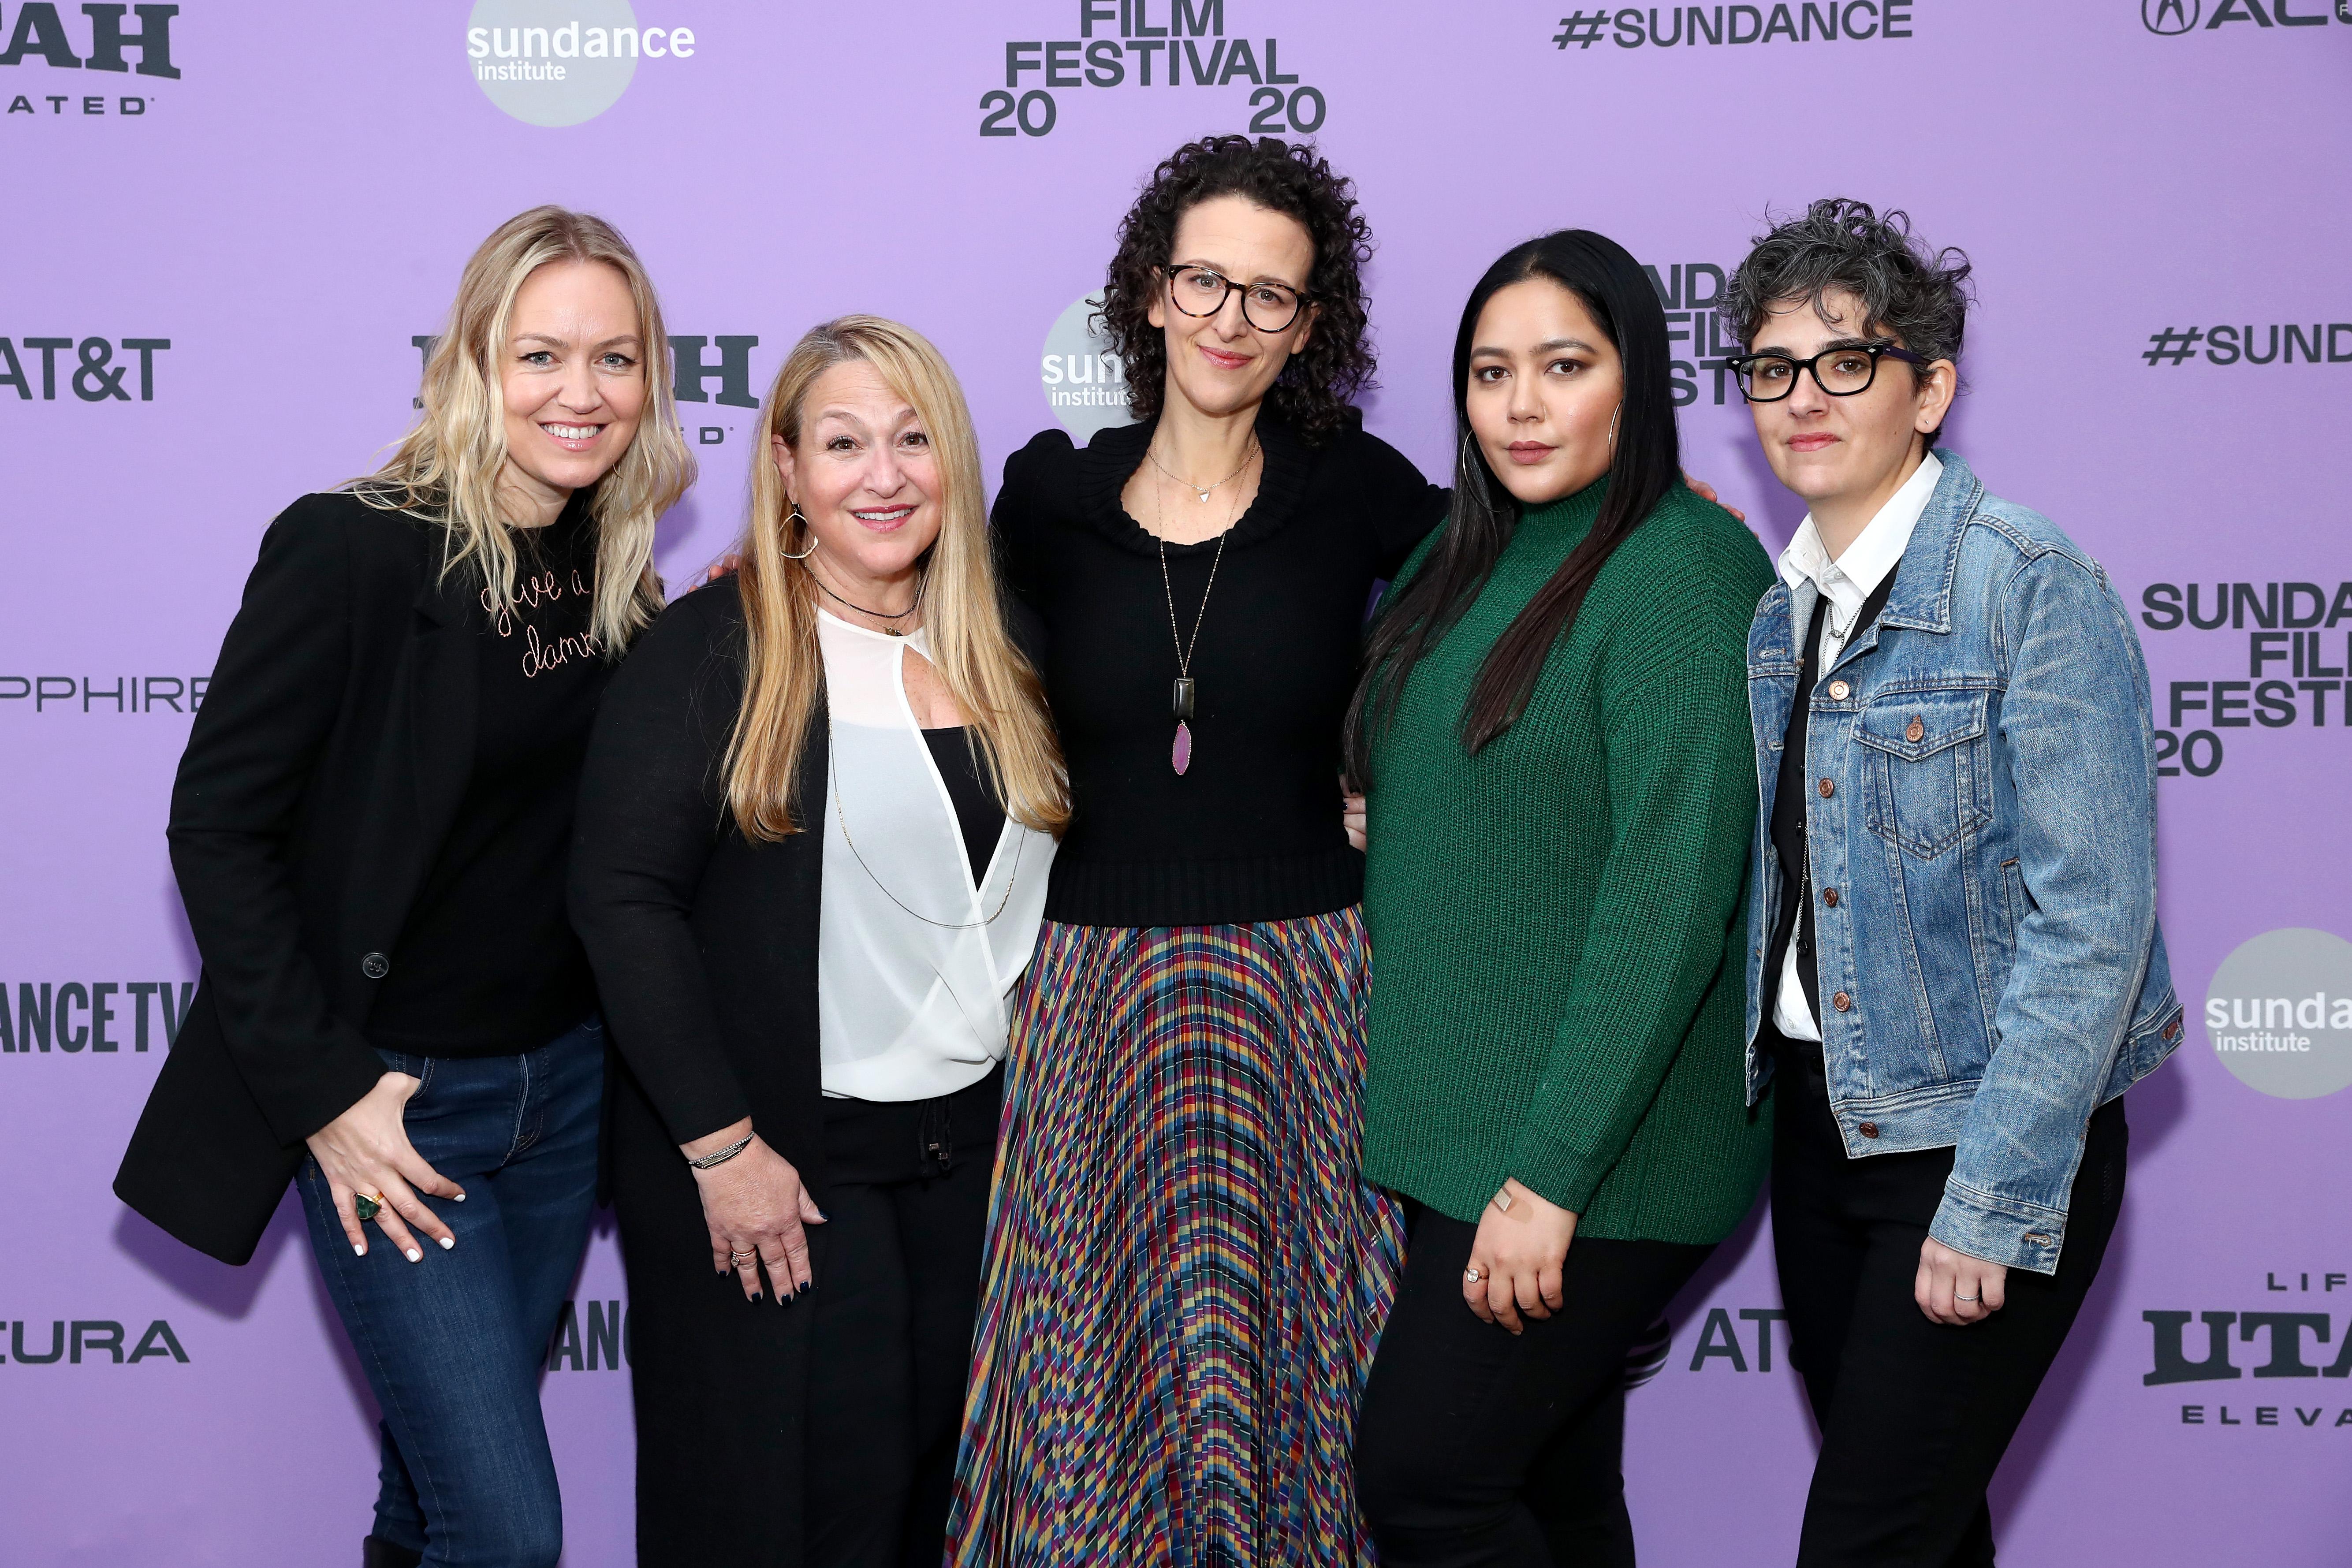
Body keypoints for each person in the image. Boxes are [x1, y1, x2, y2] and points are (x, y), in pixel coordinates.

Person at [112, 207, 693, 1568]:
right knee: (504, 1527)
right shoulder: (351, 548)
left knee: (427, 1497)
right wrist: (328, 1093)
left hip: (565, 1096)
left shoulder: (612, 571)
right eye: (542, 355)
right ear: (473, 362)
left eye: (616, 360)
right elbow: (217, 829)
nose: (581, 393)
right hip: (398, 1110)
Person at [944, 134, 1446, 1566]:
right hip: (1090, 1001)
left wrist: (1665, 516)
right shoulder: (1045, 499)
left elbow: (1523, 582)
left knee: (1296, 1389)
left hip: (1307, 1001)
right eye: (1205, 282)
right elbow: (916, 620)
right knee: (1097, 1392)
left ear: (1310, 326)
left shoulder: (1357, 488)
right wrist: (769, 573)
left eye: (1271, 297)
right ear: (1151, 294)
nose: (1232, 319)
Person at [1720, 199, 2181, 1566]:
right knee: (1927, 1530)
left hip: (1978, 1140)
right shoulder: (1779, 611)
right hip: (1820, 1136)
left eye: (1846, 363)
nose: (1803, 398)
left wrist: (1992, 1196)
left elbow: (2093, 924)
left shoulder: (2024, 582)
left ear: (1930, 390)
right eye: (1771, 368)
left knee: (1867, 1545)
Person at [568, 316, 1066, 1568]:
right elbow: (622, 901)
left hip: (977, 1171)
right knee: (798, 1517)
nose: (883, 475)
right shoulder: (720, 651)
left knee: (936, 1513)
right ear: (787, 468)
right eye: (843, 443)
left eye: (913, 440)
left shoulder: (1003, 643)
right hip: (791, 1173)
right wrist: (721, 1145)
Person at [1343, 231, 1773, 1568]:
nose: (1521, 405)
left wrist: (1551, 1177)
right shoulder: (1459, 559)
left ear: (1634, 382)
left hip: (1582, 1155)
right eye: (1490, 372)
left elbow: (1670, 897)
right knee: (1559, 1496)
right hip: (1458, 1129)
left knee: (1428, 1487)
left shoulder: (1684, 574)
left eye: (1565, 366)